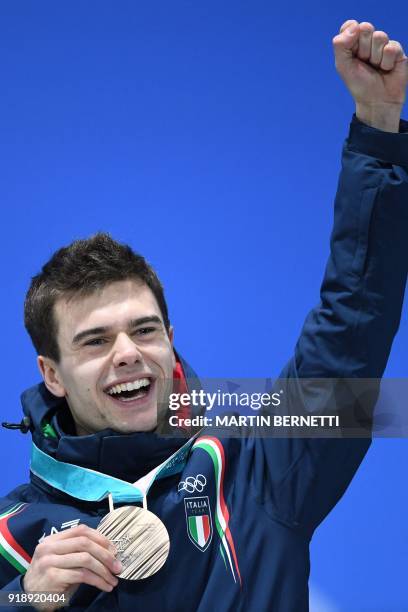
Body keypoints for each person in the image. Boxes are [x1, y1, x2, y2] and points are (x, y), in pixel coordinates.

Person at [0, 18, 407, 612]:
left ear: (170, 337)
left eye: (144, 329)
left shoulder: (260, 467)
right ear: (52, 373)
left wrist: (378, 129)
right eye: (93, 342)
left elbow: (354, 321)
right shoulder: (16, 538)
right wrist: (25, 603)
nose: (127, 353)